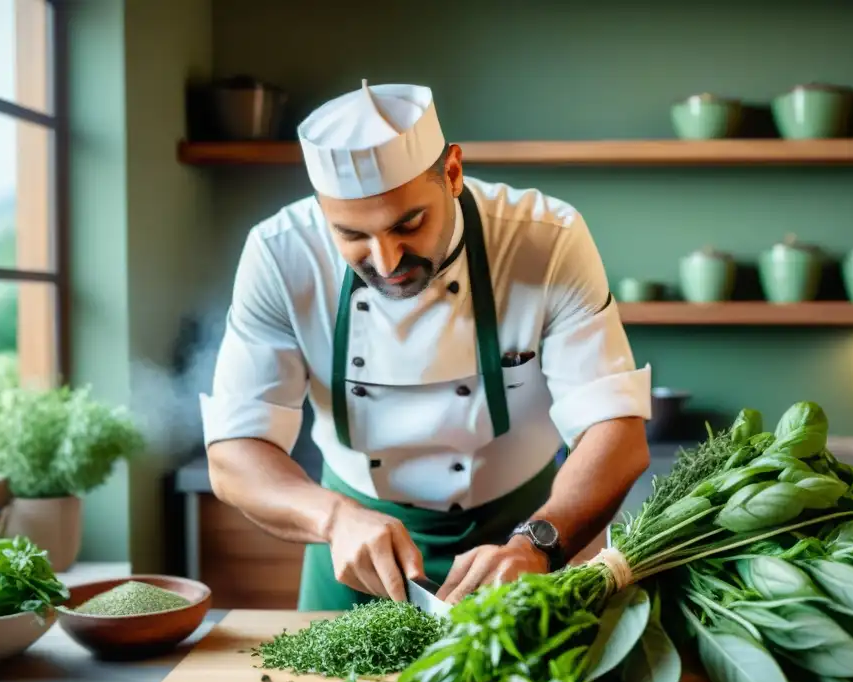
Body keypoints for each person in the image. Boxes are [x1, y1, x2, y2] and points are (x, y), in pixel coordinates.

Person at [200, 80, 652, 611]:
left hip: (531, 535)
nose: (387, 261)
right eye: (352, 236)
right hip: (356, 552)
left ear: (453, 173)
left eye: (409, 223)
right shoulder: (279, 255)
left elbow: (617, 433)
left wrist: (538, 543)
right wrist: (333, 517)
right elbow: (235, 451)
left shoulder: (546, 238)